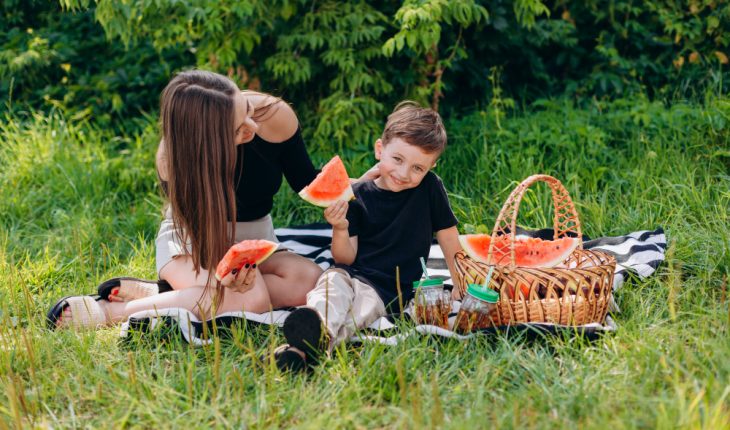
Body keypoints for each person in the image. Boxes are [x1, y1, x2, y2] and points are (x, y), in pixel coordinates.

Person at [48, 69, 363, 328]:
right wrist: (226, 276)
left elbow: (309, 180)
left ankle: (168, 292)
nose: (253, 126)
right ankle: (109, 313)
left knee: (308, 281)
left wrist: (365, 184)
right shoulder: (172, 161)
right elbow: (198, 232)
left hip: (256, 237)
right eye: (239, 128)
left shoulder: (275, 116)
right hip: (194, 240)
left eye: (248, 110)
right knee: (248, 300)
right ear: (206, 140)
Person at [273, 101, 462, 372]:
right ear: (379, 149)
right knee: (329, 290)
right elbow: (344, 256)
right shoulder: (357, 193)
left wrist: (460, 283)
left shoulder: (431, 189)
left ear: (430, 167)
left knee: (357, 312)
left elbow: (449, 239)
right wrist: (339, 228)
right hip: (349, 272)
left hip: (387, 289)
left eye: (418, 168)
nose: (404, 173)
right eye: (397, 159)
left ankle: (300, 351)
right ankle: (313, 327)